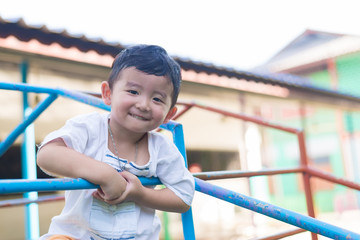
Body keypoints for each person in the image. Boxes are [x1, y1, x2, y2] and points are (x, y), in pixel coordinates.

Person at [37, 44, 195, 240]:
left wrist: (139, 194)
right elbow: (47, 154)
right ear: (108, 93)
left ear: (168, 115)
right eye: (133, 92)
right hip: (76, 235)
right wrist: (106, 175)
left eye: (157, 99)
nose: (143, 105)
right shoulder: (90, 128)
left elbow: (183, 197)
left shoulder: (161, 148)